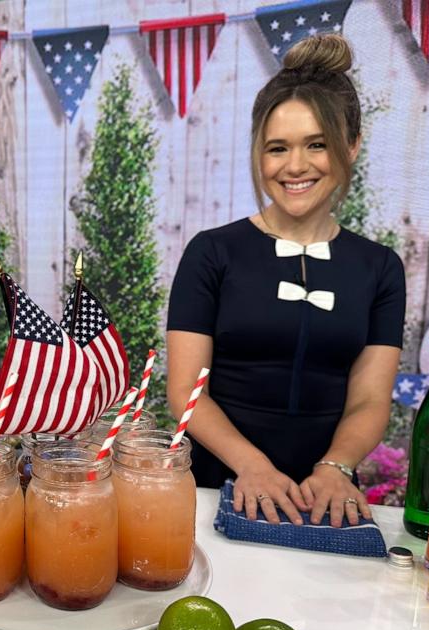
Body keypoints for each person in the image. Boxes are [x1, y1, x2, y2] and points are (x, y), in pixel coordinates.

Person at [165, 35, 405, 528]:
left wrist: (335, 467)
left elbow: (369, 399)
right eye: (278, 148)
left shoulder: (380, 268)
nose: (295, 166)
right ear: (260, 154)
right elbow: (187, 391)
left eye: (317, 145)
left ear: (351, 146)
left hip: (328, 497)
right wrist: (252, 466)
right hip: (216, 485)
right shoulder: (212, 253)